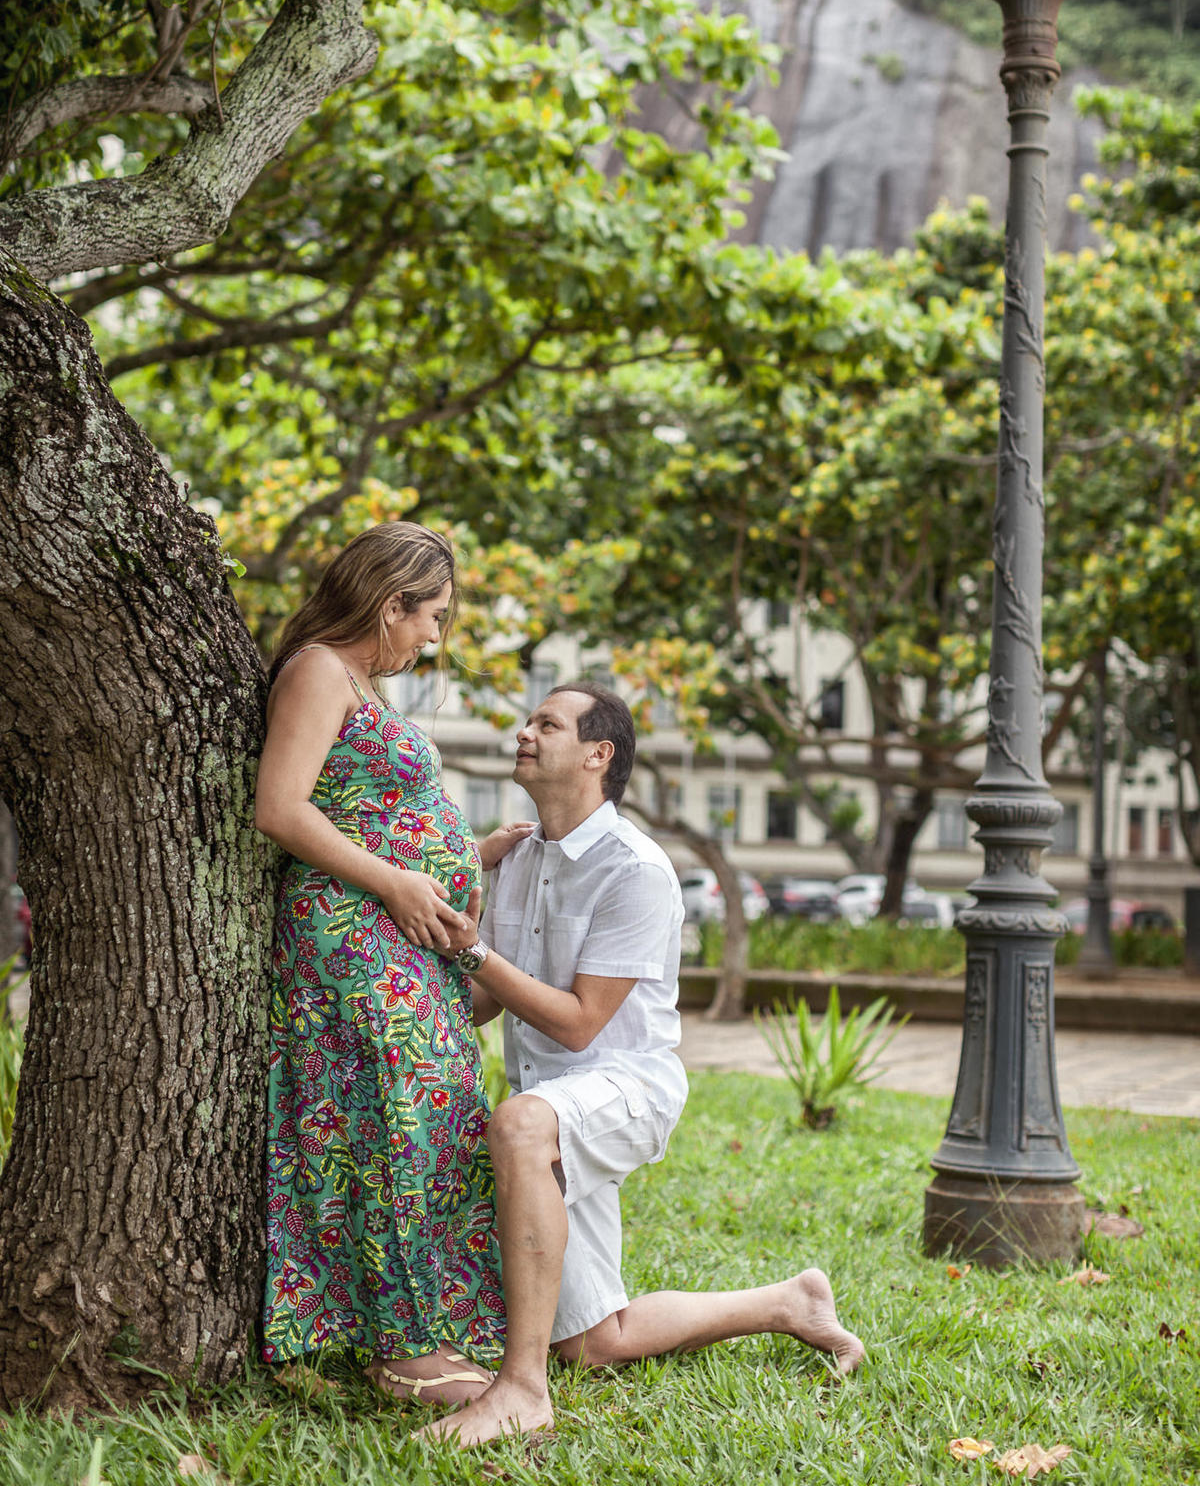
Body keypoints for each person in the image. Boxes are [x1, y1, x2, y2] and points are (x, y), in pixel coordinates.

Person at [424, 682, 864, 1448]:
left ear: (598, 755)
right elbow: (491, 1000)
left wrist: (472, 949)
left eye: (546, 724)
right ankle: (789, 1302)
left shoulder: (637, 869)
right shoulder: (521, 857)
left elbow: (580, 1020)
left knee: (520, 1125)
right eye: (529, 721)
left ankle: (521, 1390)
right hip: (551, 1102)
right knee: (597, 1343)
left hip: (628, 1089)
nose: (524, 733)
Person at [255, 522, 530, 1407]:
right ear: (389, 602)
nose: (434, 639)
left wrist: (468, 854)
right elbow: (282, 808)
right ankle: (400, 1347)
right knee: (393, 1120)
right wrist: (402, 881)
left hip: (398, 929)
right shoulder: (317, 671)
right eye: (433, 617)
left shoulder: (361, 681)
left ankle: (423, 1327)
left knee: (431, 1122)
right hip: (352, 931)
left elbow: (372, 806)